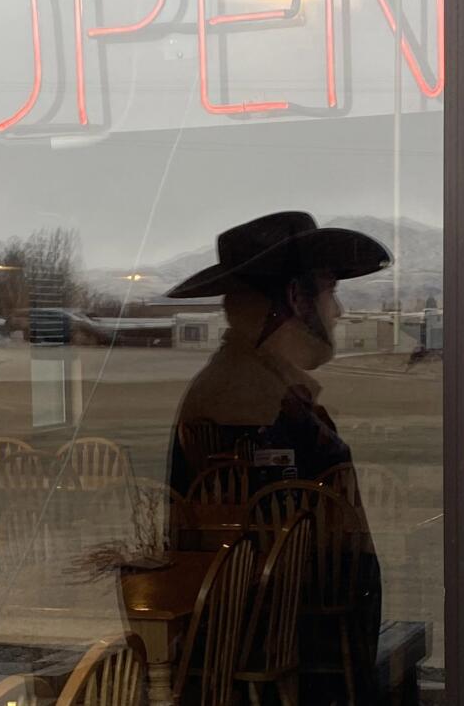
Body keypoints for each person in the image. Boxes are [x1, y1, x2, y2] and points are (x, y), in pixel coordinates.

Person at [164, 211, 388, 704]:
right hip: (276, 657)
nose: (339, 312)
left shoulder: (259, 389)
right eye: (330, 292)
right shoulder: (246, 401)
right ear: (295, 298)